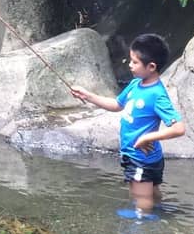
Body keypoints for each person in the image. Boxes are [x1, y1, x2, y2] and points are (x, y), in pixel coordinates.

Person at [69, 33, 186, 215]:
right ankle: (160, 214)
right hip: (140, 156)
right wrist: (88, 96)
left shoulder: (157, 95)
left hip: (141, 158)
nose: (129, 65)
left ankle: (141, 227)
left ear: (151, 66)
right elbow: (117, 105)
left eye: (134, 62)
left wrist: (148, 137)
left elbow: (179, 128)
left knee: (140, 197)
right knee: (151, 193)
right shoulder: (135, 84)